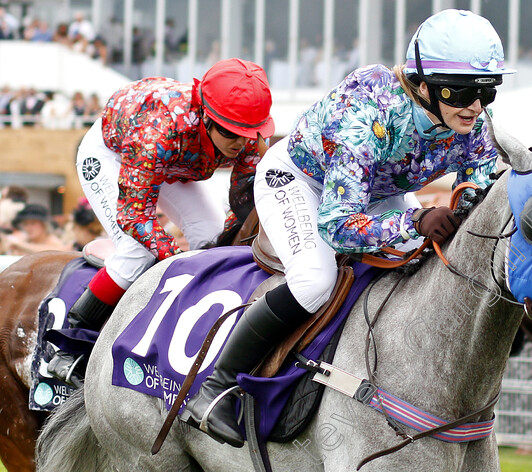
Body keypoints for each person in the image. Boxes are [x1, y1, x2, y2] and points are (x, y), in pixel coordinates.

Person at [181, 8, 515, 447]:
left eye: (487, 93)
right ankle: (215, 388)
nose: (476, 106)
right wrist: (415, 219)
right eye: (464, 92)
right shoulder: (367, 112)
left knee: (423, 266)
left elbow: (486, 176)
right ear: (423, 85)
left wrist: (467, 198)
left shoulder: (469, 120)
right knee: (314, 281)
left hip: (375, 190)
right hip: (303, 183)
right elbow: (339, 225)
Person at [46, 57, 275, 387]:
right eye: (231, 133)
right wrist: (175, 262)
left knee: (211, 239)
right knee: (138, 252)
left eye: (250, 133)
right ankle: (71, 347)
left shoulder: (248, 137)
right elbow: (134, 214)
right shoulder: (157, 131)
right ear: (208, 116)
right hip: (116, 154)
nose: (241, 143)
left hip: (175, 162)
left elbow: (244, 203)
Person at [2, 203, 69, 255]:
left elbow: (57, 253)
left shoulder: (54, 241)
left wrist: (21, 245)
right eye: (25, 224)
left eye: (33, 223)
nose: (28, 228)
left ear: (44, 225)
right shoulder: (24, 239)